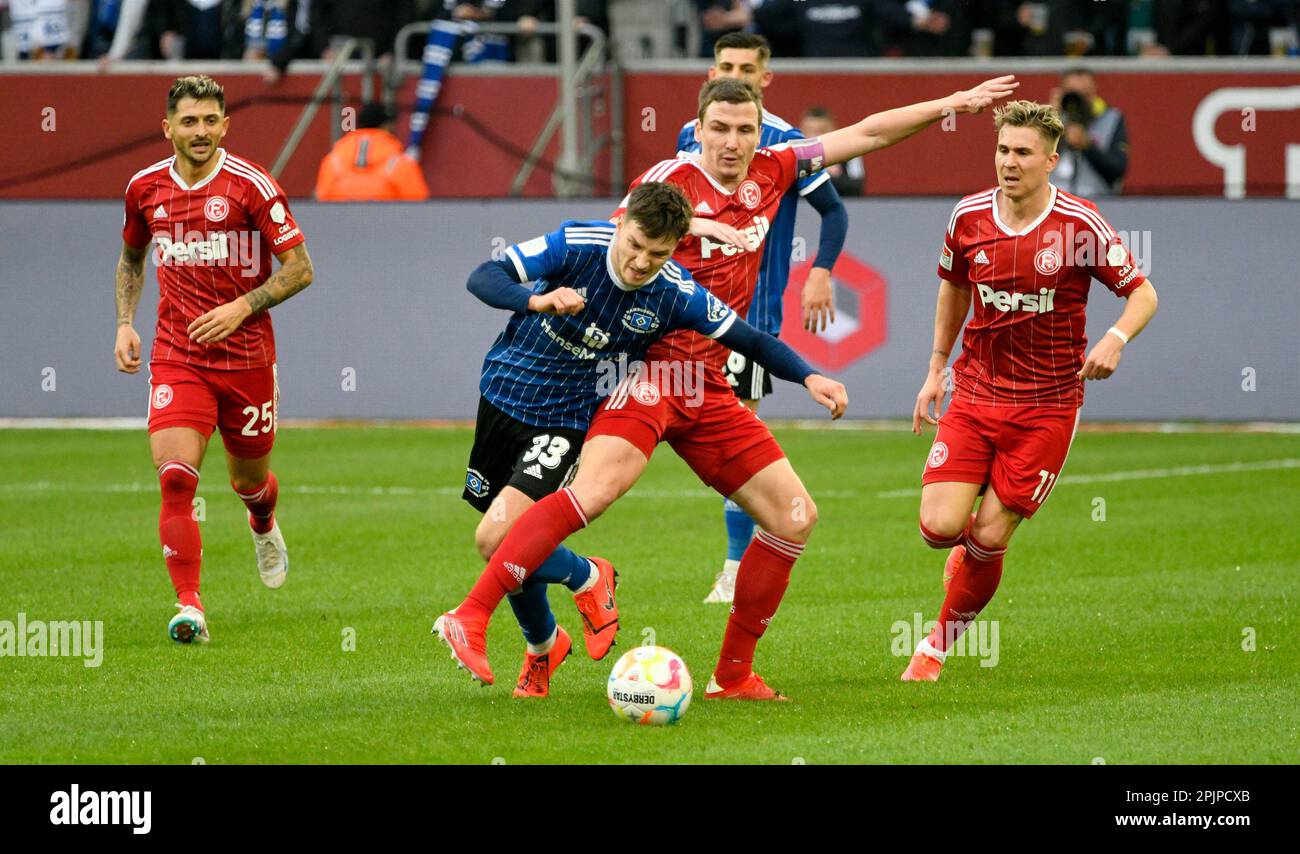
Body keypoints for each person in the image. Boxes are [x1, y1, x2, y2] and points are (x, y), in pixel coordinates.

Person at [434, 72, 1019, 701]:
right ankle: (490, 610)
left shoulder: (776, 167)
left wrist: (949, 104)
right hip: (649, 371)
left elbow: (868, 133)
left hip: (710, 378)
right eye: (720, 129)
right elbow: (617, 249)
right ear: (700, 128)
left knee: (795, 517)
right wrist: (692, 232)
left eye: (745, 129)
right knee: (593, 494)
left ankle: (732, 676)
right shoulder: (665, 183)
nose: (732, 143)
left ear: (760, 130)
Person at [452, 181, 847, 697]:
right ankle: (552, 632)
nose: (640, 262)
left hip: (566, 416)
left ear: (673, 249)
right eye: (635, 245)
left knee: (496, 538)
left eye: (656, 254)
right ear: (621, 224)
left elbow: (748, 339)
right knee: (500, 540)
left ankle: (478, 613)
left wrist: (809, 376)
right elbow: (483, 276)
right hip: (503, 393)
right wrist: (538, 300)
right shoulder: (577, 243)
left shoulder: (674, 293)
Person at [902, 99, 1158, 681]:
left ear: (1051, 160)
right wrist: (935, 367)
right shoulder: (967, 218)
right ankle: (964, 559)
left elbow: (1143, 294)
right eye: (1002, 150)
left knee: (990, 534)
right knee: (938, 529)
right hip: (974, 392)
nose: (1009, 162)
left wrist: (1115, 338)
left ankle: (933, 650)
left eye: (1022, 152)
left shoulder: (1079, 224)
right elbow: (954, 290)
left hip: (1047, 405)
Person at [114, 75, 315, 644]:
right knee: (176, 478)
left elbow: (301, 268)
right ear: (168, 128)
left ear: (224, 125)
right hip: (178, 356)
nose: (199, 132)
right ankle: (190, 606)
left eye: (209, 121)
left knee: (249, 480)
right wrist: (125, 323)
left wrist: (241, 308)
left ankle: (262, 518)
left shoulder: (253, 186)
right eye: (189, 121)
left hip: (247, 357)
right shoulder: (144, 187)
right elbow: (131, 259)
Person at [674, 31, 848, 604]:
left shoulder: (786, 146)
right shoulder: (688, 138)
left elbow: (833, 210)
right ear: (710, 72)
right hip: (681, 316)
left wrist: (820, 272)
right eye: (727, 65)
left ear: (765, 78)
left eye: (748, 67)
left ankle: (733, 567)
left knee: (735, 440)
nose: (738, 74)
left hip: (751, 319)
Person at [315, 102, 430, 201]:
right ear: (387, 126)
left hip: (339, 224)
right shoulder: (400, 163)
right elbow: (419, 209)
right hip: (387, 225)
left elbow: (321, 202)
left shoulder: (333, 161)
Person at [1051, 67, 1129, 196]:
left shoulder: (1111, 119)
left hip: (1096, 200)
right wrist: (1049, 125)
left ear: (1094, 92)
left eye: (1085, 95)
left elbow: (1117, 170)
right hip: (1053, 201)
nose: (1079, 101)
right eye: (1073, 94)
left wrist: (1088, 146)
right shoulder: (1048, 121)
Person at [801, 105, 864, 197]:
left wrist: (832, 176)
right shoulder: (795, 154)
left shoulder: (850, 152)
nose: (814, 136)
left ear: (831, 130)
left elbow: (857, 186)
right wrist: (820, 168)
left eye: (820, 131)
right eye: (809, 131)